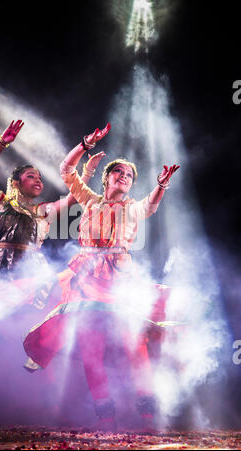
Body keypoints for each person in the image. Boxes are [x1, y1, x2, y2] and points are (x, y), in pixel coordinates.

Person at [23, 124, 180, 430]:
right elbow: (66, 169)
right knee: (91, 349)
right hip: (86, 282)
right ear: (107, 177)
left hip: (119, 282)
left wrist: (161, 185)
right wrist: (85, 144)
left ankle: (149, 417)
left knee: (134, 345)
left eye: (130, 175)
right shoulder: (90, 201)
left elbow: (150, 205)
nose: (125, 177)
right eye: (119, 172)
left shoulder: (133, 209)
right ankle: (104, 417)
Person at [0, 120, 102, 347]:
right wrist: (1, 143)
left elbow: (72, 198)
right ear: (16, 183)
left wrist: (88, 170)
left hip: (32, 270)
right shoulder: (0, 202)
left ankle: (39, 355)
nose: (38, 180)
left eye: (39, 177)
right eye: (31, 176)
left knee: (35, 319)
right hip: (0, 269)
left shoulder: (42, 211)